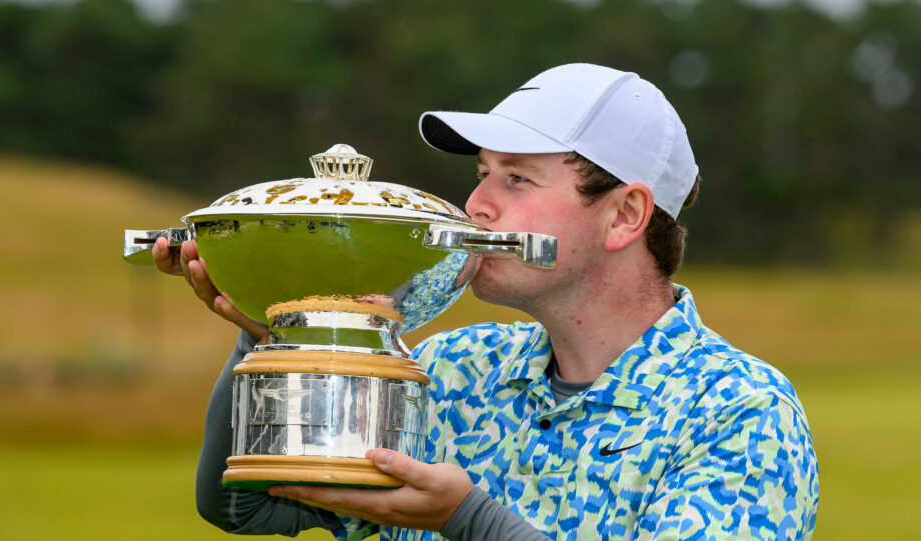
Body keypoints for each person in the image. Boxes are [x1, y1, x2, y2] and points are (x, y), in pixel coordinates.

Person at [154, 64, 819, 540]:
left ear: (625, 216)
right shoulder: (450, 369)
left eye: (517, 178)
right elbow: (244, 509)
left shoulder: (739, 411)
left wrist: (466, 519)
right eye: (481, 174)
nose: (477, 206)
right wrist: (281, 331)